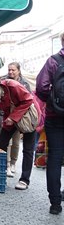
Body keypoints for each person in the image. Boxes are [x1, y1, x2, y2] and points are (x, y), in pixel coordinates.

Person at [0, 77, 41, 191]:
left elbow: (28, 100)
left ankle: (24, 180)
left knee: (28, 148)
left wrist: (14, 117)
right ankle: (1, 174)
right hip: (10, 117)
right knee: (1, 143)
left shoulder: (12, 86)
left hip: (27, 116)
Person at [35, 31, 64, 214]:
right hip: (55, 115)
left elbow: (41, 87)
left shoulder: (53, 61)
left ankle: (55, 203)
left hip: (55, 117)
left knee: (55, 157)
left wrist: (52, 102)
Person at [0, 62, 31, 178]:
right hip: (7, 117)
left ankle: (13, 163)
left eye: (13, 70)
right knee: (4, 142)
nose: (10, 72)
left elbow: (29, 101)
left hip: (21, 118)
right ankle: (6, 165)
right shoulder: (3, 81)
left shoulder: (24, 84)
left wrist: (15, 117)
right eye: (9, 70)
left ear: (18, 71)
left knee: (16, 142)